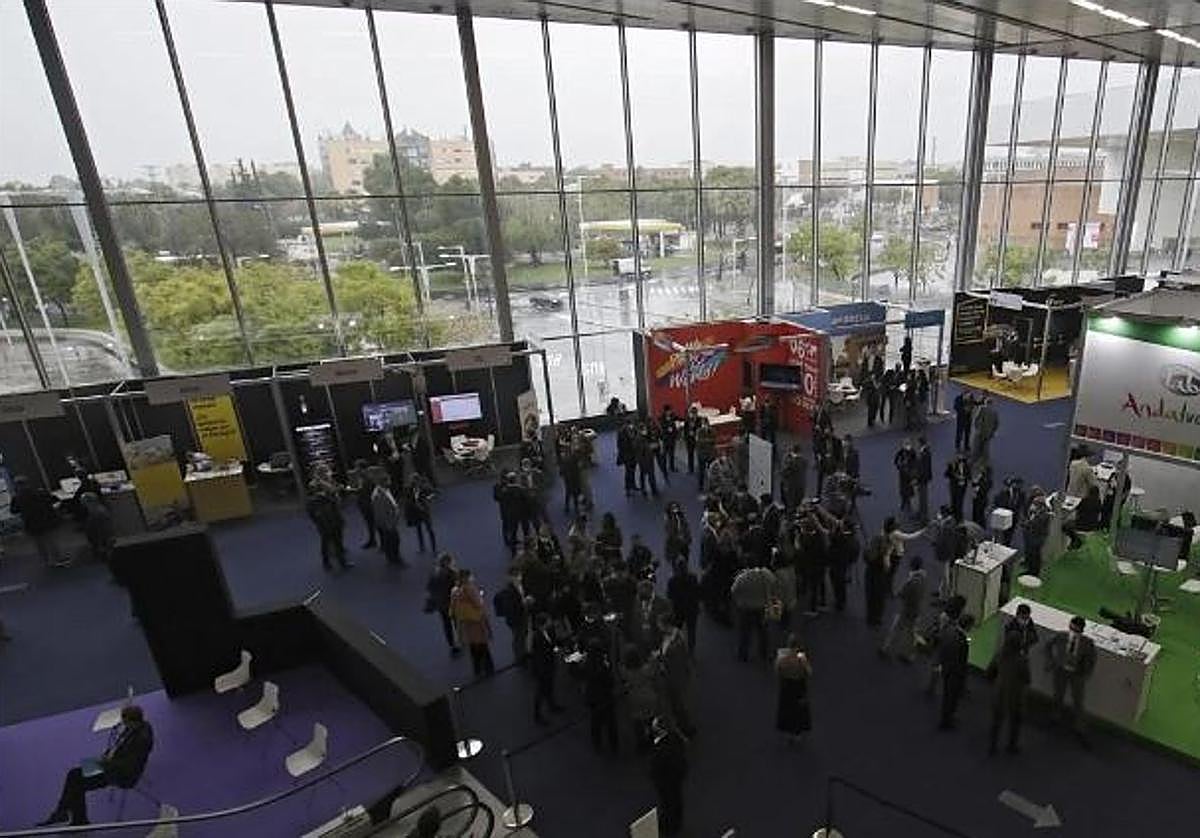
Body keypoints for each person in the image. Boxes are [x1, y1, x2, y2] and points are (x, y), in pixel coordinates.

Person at [39, 705, 154, 826]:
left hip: (120, 775)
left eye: (125, 722)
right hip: (110, 765)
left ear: (132, 722)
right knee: (74, 775)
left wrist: (106, 762)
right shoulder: (137, 726)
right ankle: (70, 816)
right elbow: (121, 747)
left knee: (76, 779)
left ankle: (68, 815)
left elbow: (129, 766)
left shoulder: (141, 740)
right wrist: (108, 754)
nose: (123, 725)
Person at [1045, 615, 1096, 740]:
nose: (1073, 631)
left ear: (1081, 629)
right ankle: (1055, 717)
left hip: (1077, 675)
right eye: (1072, 628)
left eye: (1076, 629)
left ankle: (1079, 727)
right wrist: (1051, 661)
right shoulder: (1061, 636)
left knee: (1078, 700)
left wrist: (1087, 672)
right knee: (1058, 695)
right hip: (1061, 670)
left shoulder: (1087, 643)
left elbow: (1092, 659)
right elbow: (1048, 645)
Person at [988, 630, 1030, 755]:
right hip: (1016, 694)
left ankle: (993, 745)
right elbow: (1027, 678)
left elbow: (990, 671)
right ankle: (1012, 745)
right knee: (1015, 721)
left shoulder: (1000, 654)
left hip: (999, 691)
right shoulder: (1022, 659)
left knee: (997, 721)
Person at [9, 475, 65, 568]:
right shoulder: (39, 492)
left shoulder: (17, 497)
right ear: (28, 483)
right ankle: (57, 559)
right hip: (44, 519)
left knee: (39, 543)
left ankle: (46, 561)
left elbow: (13, 510)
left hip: (31, 522)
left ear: (17, 486)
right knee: (50, 540)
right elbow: (54, 499)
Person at [880, 555, 927, 662]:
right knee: (911, 633)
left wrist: (897, 593)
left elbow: (902, 593)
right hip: (917, 609)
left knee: (896, 629)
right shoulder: (923, 578)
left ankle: (886, 649)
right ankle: (910, 655)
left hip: (908, 610)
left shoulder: (912, 581)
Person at [648, 716, 688, 837]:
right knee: (675, 801)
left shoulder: (661, 748)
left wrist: (654, 776)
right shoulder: (674, 739)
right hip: (675, 778)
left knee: (667, 803)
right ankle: (676, 823)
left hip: (666, 781)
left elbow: (656, 767)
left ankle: (669, 826)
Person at [656, 617, 695, 736]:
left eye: (660, 625)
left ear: (666, 624)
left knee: (679, 703)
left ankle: (686, 727)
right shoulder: (672, 636)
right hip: (673, 675)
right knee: (677, 703)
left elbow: (673, 655)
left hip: (675, 676)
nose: (659, 627)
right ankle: (684, 725)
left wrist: (661, 658)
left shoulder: (675, 639)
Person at [451, 569, 494, 677]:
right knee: (483, 645)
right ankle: (488, 667)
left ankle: (477, 669)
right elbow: (478, 604)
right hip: (477, 621)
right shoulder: (470, 588)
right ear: (467, 577)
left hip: (467, 622)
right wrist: (481, 596)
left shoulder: (457, 590)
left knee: (473, 647)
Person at [731, 563, 778, 662]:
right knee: (763, 632)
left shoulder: (742, 577)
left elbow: (734, 591)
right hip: (761, 607)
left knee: (745, 633)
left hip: (746, 608)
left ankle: (743, 654)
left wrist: (739, 601)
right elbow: (774, 584)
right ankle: (763, 653)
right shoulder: (765, 575)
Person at [937, 613, 975, 730]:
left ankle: (946, 718)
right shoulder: (962, 641)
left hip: (946, 668)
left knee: (947, 696)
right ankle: (947, 721)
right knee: (952, 698)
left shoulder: (950, 631)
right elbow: (962, 661)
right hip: (955, 672)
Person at [306, 472, 350, 572]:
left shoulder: (329, 497)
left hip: (335, 523)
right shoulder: (312, 502)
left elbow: (336, 509)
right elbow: (313, 516)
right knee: (325, 545)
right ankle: (327, 563)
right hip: (325, 526)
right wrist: (320, 525)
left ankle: (342, 562)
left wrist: (340, 521)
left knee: (338, 544)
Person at [583, 641, 619, 754]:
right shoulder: (603, 664)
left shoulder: (587, 663)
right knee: (610, 723)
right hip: (605, 697)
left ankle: (597, 744)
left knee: (595, 723)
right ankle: (614, 745)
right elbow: (609, 680)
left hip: (593, 697)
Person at [530, 612, 564, 724]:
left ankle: (552, 705)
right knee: (541, 691)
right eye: (548, 621)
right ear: (543, 624)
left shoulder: (546, 632)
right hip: (543, 668)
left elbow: (552, 644)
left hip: (549, 666)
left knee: (549, 687)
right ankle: (537, 715)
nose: (550, 622)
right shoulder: (537, 637)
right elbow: (539, 654)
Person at [426, 553, 461, 657]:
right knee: (456, 622)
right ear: (447, 562)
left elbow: (429, 588)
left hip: (441, 604)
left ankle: (451, 644)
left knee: (446, 624)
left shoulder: (434, 574)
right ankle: (459, 640)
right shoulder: (452, 573)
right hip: (451, 602)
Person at [667, 560, 701, 655]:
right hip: (691, 609)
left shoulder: (672, 580)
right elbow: (698, 593)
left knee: (677, 631)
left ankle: (678, 649)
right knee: (691, 631)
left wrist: (670, 609)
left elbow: (670, 596)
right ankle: (691, 651)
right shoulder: (693, 578)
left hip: (678, 610)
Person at [372, 472, 404, 567]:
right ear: (384, 482)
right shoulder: (378, 495)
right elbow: (381, 512)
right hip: (388, 523)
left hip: (391, 521)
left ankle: (393, 558)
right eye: (388, 480)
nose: (390, 482)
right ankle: (394, 559)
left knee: (393, 541)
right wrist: (389, 524)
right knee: (393, 541)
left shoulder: (385, 490)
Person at [403, 473, 438, 553]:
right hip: (416, 512)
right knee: (419, 530)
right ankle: (422, 547)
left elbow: (434, 493)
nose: (414, 482)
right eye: (412, 480)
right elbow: (408, 501)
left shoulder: (424, 487)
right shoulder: (409, 489)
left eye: (415, 480)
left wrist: (427, 499)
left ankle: (433, 548)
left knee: (429, 529)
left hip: (424, 511)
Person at [347, 459, 377, 548]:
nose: (355, 469)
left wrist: (350, 490)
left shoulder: (366, 477)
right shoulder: (364, 476)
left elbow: (362, 490)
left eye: (357, 467)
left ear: (361, 468)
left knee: (372, 522)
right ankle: (373, 540)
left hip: (367, 503)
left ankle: (376, 541)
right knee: (370, 523)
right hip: (365, 502)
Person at [1021, 488, 1051, 577]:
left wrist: (1027, 523)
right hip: (1030, 534)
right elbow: (1026, 514)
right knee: (1030, 552)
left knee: (1035, 555)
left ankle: (1034, 572)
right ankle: (1029, 566)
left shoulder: (1044, 513)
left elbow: (1036, 524)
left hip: (1037, 537)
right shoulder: (1032, 506)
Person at [972, 396, 999, 466]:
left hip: (980, 431)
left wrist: (976, 427)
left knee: (977, 446)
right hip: (988, 433)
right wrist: (993, 431)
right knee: (985, 447)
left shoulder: (982, 409)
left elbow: (976, 419)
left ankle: (975, 460)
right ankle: (984, 461)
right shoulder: (994, 412)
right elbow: (996, 423)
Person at [780, 445, 808, 512]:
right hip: (795, 485)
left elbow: (784, 471)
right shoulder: (803, 460)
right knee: (793, 503)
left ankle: (791, 513)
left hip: (792, 485)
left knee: (792, 503)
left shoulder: (795, 460)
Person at [893, 440, 917, 519]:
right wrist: (899, 467)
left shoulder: (912, 452)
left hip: (909, 473)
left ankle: (908, 501)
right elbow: (895, 461)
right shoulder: (900, 452)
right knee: (903, 488)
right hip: (903, 473)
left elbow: (915, 461)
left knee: (909, 487)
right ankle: (904, 501)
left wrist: (913, 470)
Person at [664, 501, 691, 567]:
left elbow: (686, 528)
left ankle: (684, 568)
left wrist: (687, 537)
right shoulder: (669, 519)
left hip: (683, 542)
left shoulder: (682, 517)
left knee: (685, 558)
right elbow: (669, 530)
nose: (675, 509)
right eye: (673, 508)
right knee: (675, 561)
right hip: (674, 543)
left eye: (676, 507)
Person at [945, 453, 971, 522]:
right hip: (954, 487)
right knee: (953, 501)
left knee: (960, 503)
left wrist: (964, 478)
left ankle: (959, 518)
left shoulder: (967, 466)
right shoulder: (953, 465)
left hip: (962, 487)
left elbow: (969, 476)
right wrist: (954, 475)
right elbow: (946, 474)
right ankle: (954, 517)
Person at [914, 437, 933, 523]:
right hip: (922, 477)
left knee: (923, 497)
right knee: (921, 496)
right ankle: (920, 512)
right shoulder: (923, 451)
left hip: (923, 478)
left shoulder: (925, 453)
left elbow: (923, 468)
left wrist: (917, 478)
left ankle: (924, 516)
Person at [617, 420, 639, 497]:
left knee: (633, 470)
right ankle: (628, 489)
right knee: (628, 472)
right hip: (627, 455)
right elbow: (620, 445)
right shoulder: (622, 432)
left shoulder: (634, 430)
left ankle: (633, 485)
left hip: (634, 454)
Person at [695, 419, 716, 491]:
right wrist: (708, 440)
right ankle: (700, 486)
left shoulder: (712, 430)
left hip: (710, 454)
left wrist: (705, 441)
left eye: (707, 424)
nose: (706, 426)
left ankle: (712, 486)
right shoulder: (699, 431)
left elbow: (714, 440)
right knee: (701, 471)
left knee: (712, 471)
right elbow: (699, 442)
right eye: (704, 424)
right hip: (702, 454)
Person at [682, 405, 702, 474]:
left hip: (697, 439)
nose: (693, 415)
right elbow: (685, 430)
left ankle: (700, 468)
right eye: (692, 413)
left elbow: (700, 429)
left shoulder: (699, 420)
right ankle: (691, 469)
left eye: (695, 413)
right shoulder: (687, 420)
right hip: (689, 440)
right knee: (690, 455)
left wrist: (696, 432)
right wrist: (686, 437)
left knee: (699, 454)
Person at [660, 405, 680, 472]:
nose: (670, 412)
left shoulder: (673, 416)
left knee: (672, 454)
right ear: (665, 411)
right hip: (665, 438)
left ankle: (672, 467)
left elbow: (677, 420)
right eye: (669, 411)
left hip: (672, 438)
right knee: (664, 454)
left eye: (670, 411)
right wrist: (667, 428)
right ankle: (663, 467)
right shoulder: (662, 417)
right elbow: (662, 426)